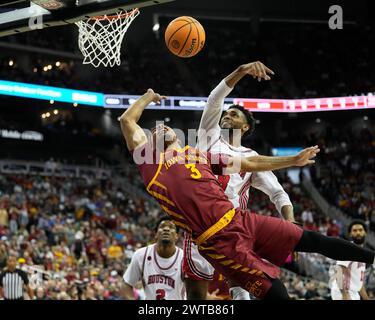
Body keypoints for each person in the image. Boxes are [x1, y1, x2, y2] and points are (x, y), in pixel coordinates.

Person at [119, 88, 375, 300]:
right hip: (218, 240)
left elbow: (249, 163)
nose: (160, 128)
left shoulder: (198, 154)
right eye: (154, 131)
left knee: (312, 240)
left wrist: (293, 160)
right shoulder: (151, 164)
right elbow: (127, 121)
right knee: (276, 292)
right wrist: (148, 97)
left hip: (241, 219)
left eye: (164, 127)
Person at [184, 61, 297, 300]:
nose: (226, 116)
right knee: (195, 296)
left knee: (241, 292)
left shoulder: (252, 158)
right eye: (226, 113)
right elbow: (215, 98)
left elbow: (279, 194)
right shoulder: (208, 135)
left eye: (233, 114)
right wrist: (241, 71)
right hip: (199, 226)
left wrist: (291, 226)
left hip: (232, 231)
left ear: (245, 126)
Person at [122, 217, 186, 300]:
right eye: (162, 227)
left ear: (177, 236)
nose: (166, 229)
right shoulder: (141, 255)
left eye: (171, 227)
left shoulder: (185, 258)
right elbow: (127, 284)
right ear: (156, 234)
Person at [329, 220, 370, 300]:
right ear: (350, 234)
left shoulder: (363, 253)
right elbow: (339, 272)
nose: (358, 232)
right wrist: (345, 295)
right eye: (355, 230)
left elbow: (359, 282)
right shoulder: (348, 249)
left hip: (354, 292)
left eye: (360, 230)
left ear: (365, 232)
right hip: (342, 292)